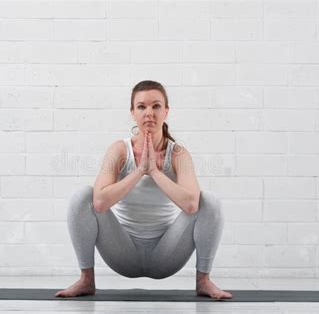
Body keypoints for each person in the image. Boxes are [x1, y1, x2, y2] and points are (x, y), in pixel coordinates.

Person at [55, 80, 233, 300]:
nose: (149, 113)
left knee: (210, 201)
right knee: (82, 196)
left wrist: (155, 172)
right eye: (141, 107)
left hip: (167, 254)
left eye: (156, 106)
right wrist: (139, 171)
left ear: (166, 111)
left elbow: (191, 205)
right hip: (122, 252)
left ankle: (203, 281)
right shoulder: (120, 150)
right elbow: (99, 203)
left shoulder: (178, 154)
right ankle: (86, 279)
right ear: (133, 112)